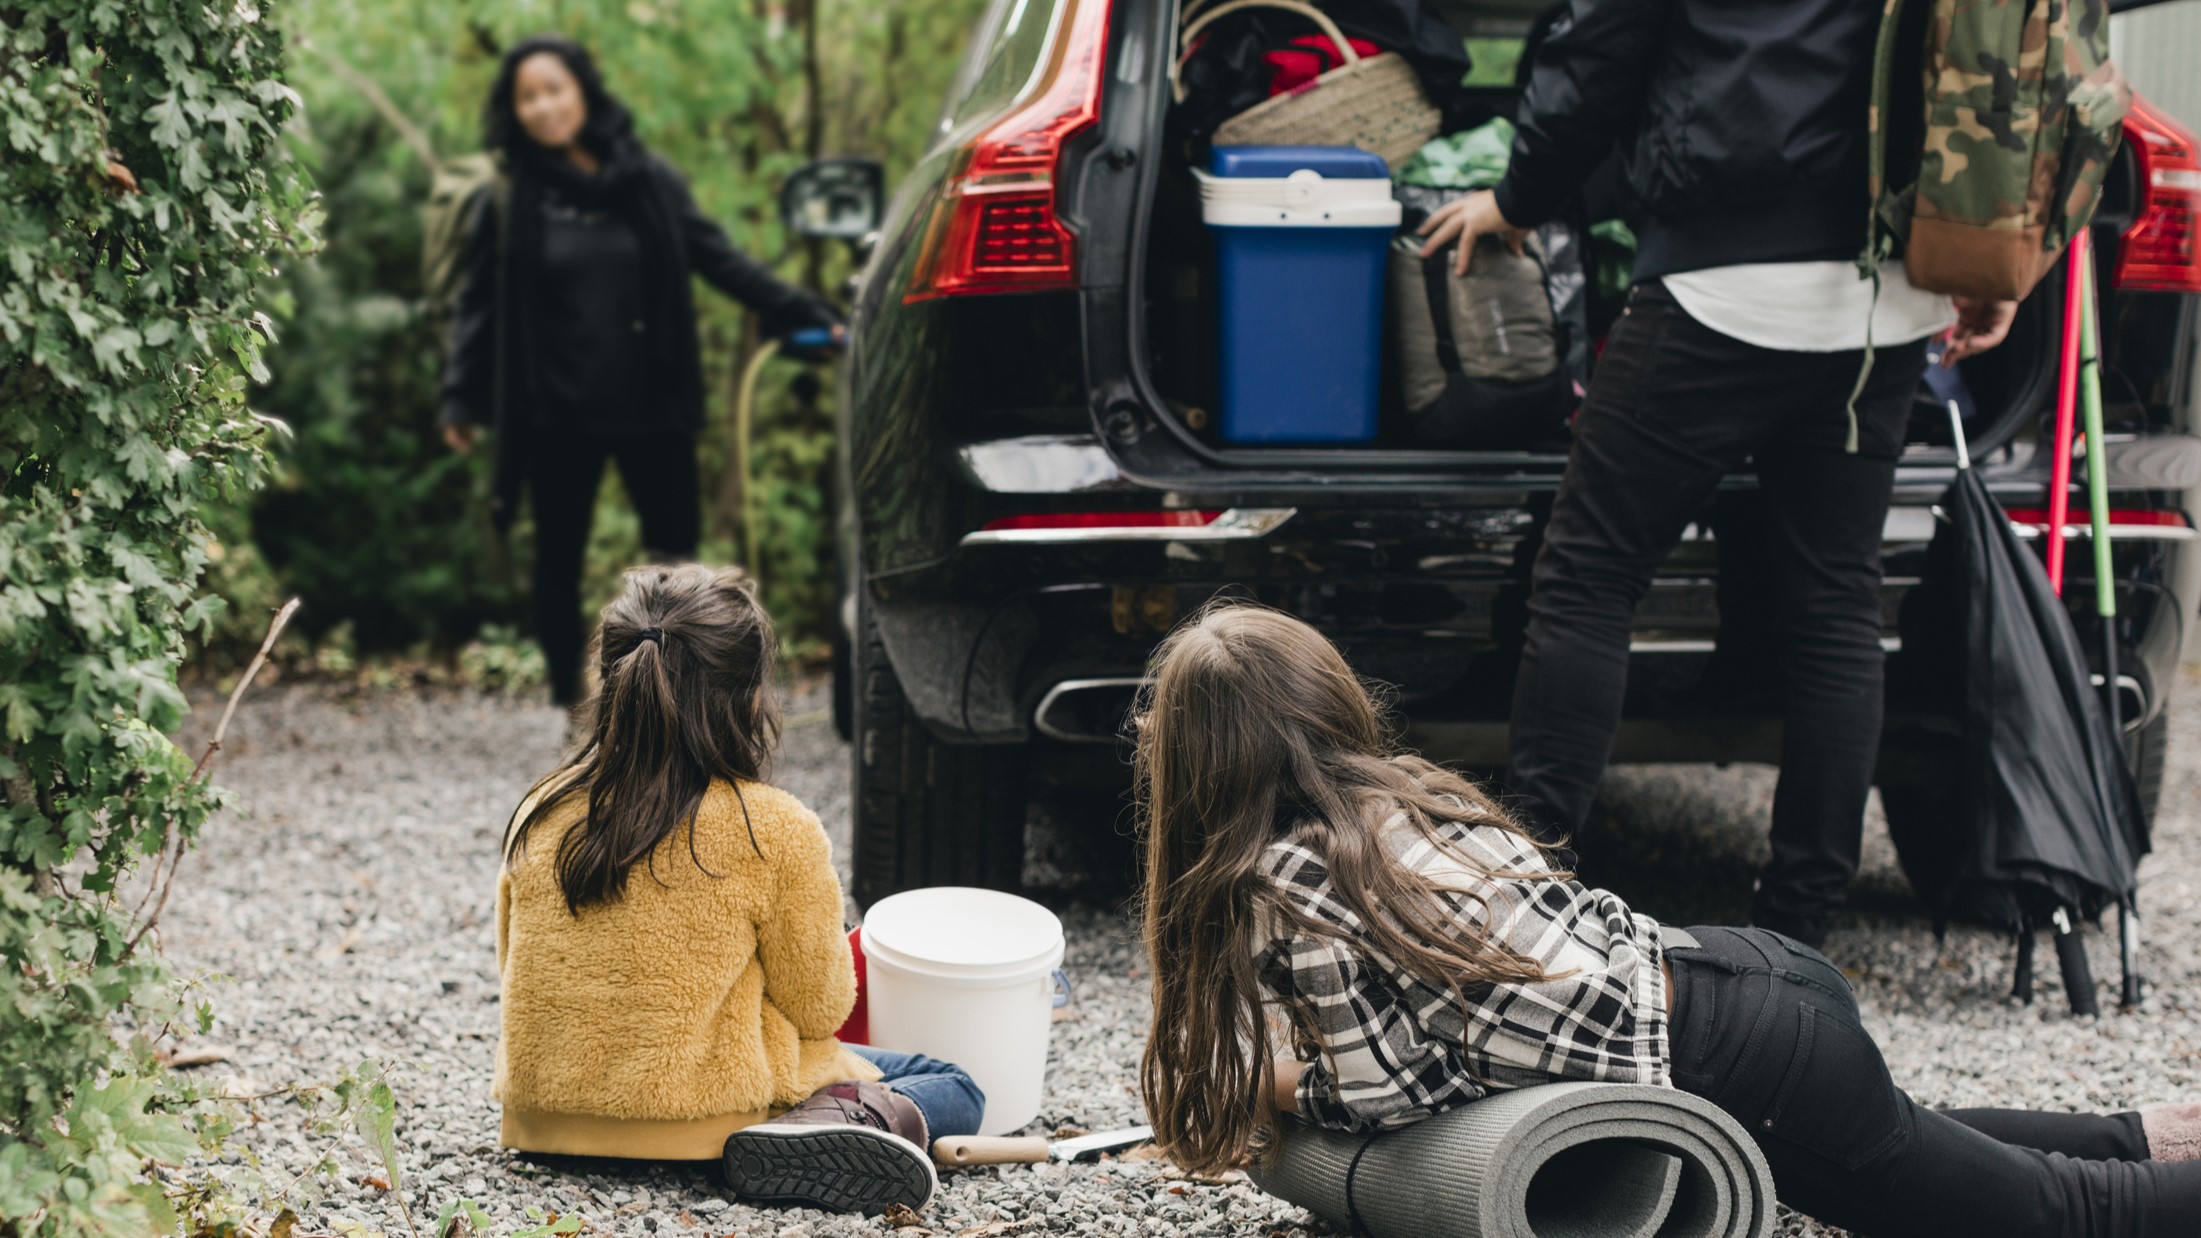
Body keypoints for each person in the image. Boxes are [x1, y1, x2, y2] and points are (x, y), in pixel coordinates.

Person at [1134, 605, 2201, 1238]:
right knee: (1903, 1147)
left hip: (1741, 1052)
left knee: (2055, 1216)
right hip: (1741, 982)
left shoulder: (1288, 880)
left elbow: (1387, 1091)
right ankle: (2148, 1130)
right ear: (1331, 705)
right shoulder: (1403, 797)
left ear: (1186, 763)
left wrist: (1284, 1083)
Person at [1414, 0, 2020, 947]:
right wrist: (1994, 258)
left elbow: (1595, 55)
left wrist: (1519, 196)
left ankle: (1526, 915)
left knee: (1588, 574)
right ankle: (1797, 936)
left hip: (1722, 282)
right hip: (1890, 294)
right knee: (1835, 608)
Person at [494, 564, 981, 1215]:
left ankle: (814, 1125)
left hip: (544, 1121)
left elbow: (514, 963)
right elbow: (819, 1009)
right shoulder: (771, 826)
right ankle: (814, 1127)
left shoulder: (540, 809)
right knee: (954, 1083)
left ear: (611, 681)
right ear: (750, 697)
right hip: (704, 1122)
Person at [440, 37, 841, 709]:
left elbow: (720, 259)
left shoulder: (647, 180)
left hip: (653, 401)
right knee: (557, 567)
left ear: (583, 92)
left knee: (675, 564)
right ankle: (578, 709)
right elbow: (478, 301)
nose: (543, 107)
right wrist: (460, 394)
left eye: (554, 89)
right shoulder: (511, 200)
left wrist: (804, 312)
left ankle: (677, 707)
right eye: (528, 97)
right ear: (514, 112)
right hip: (556, 410)